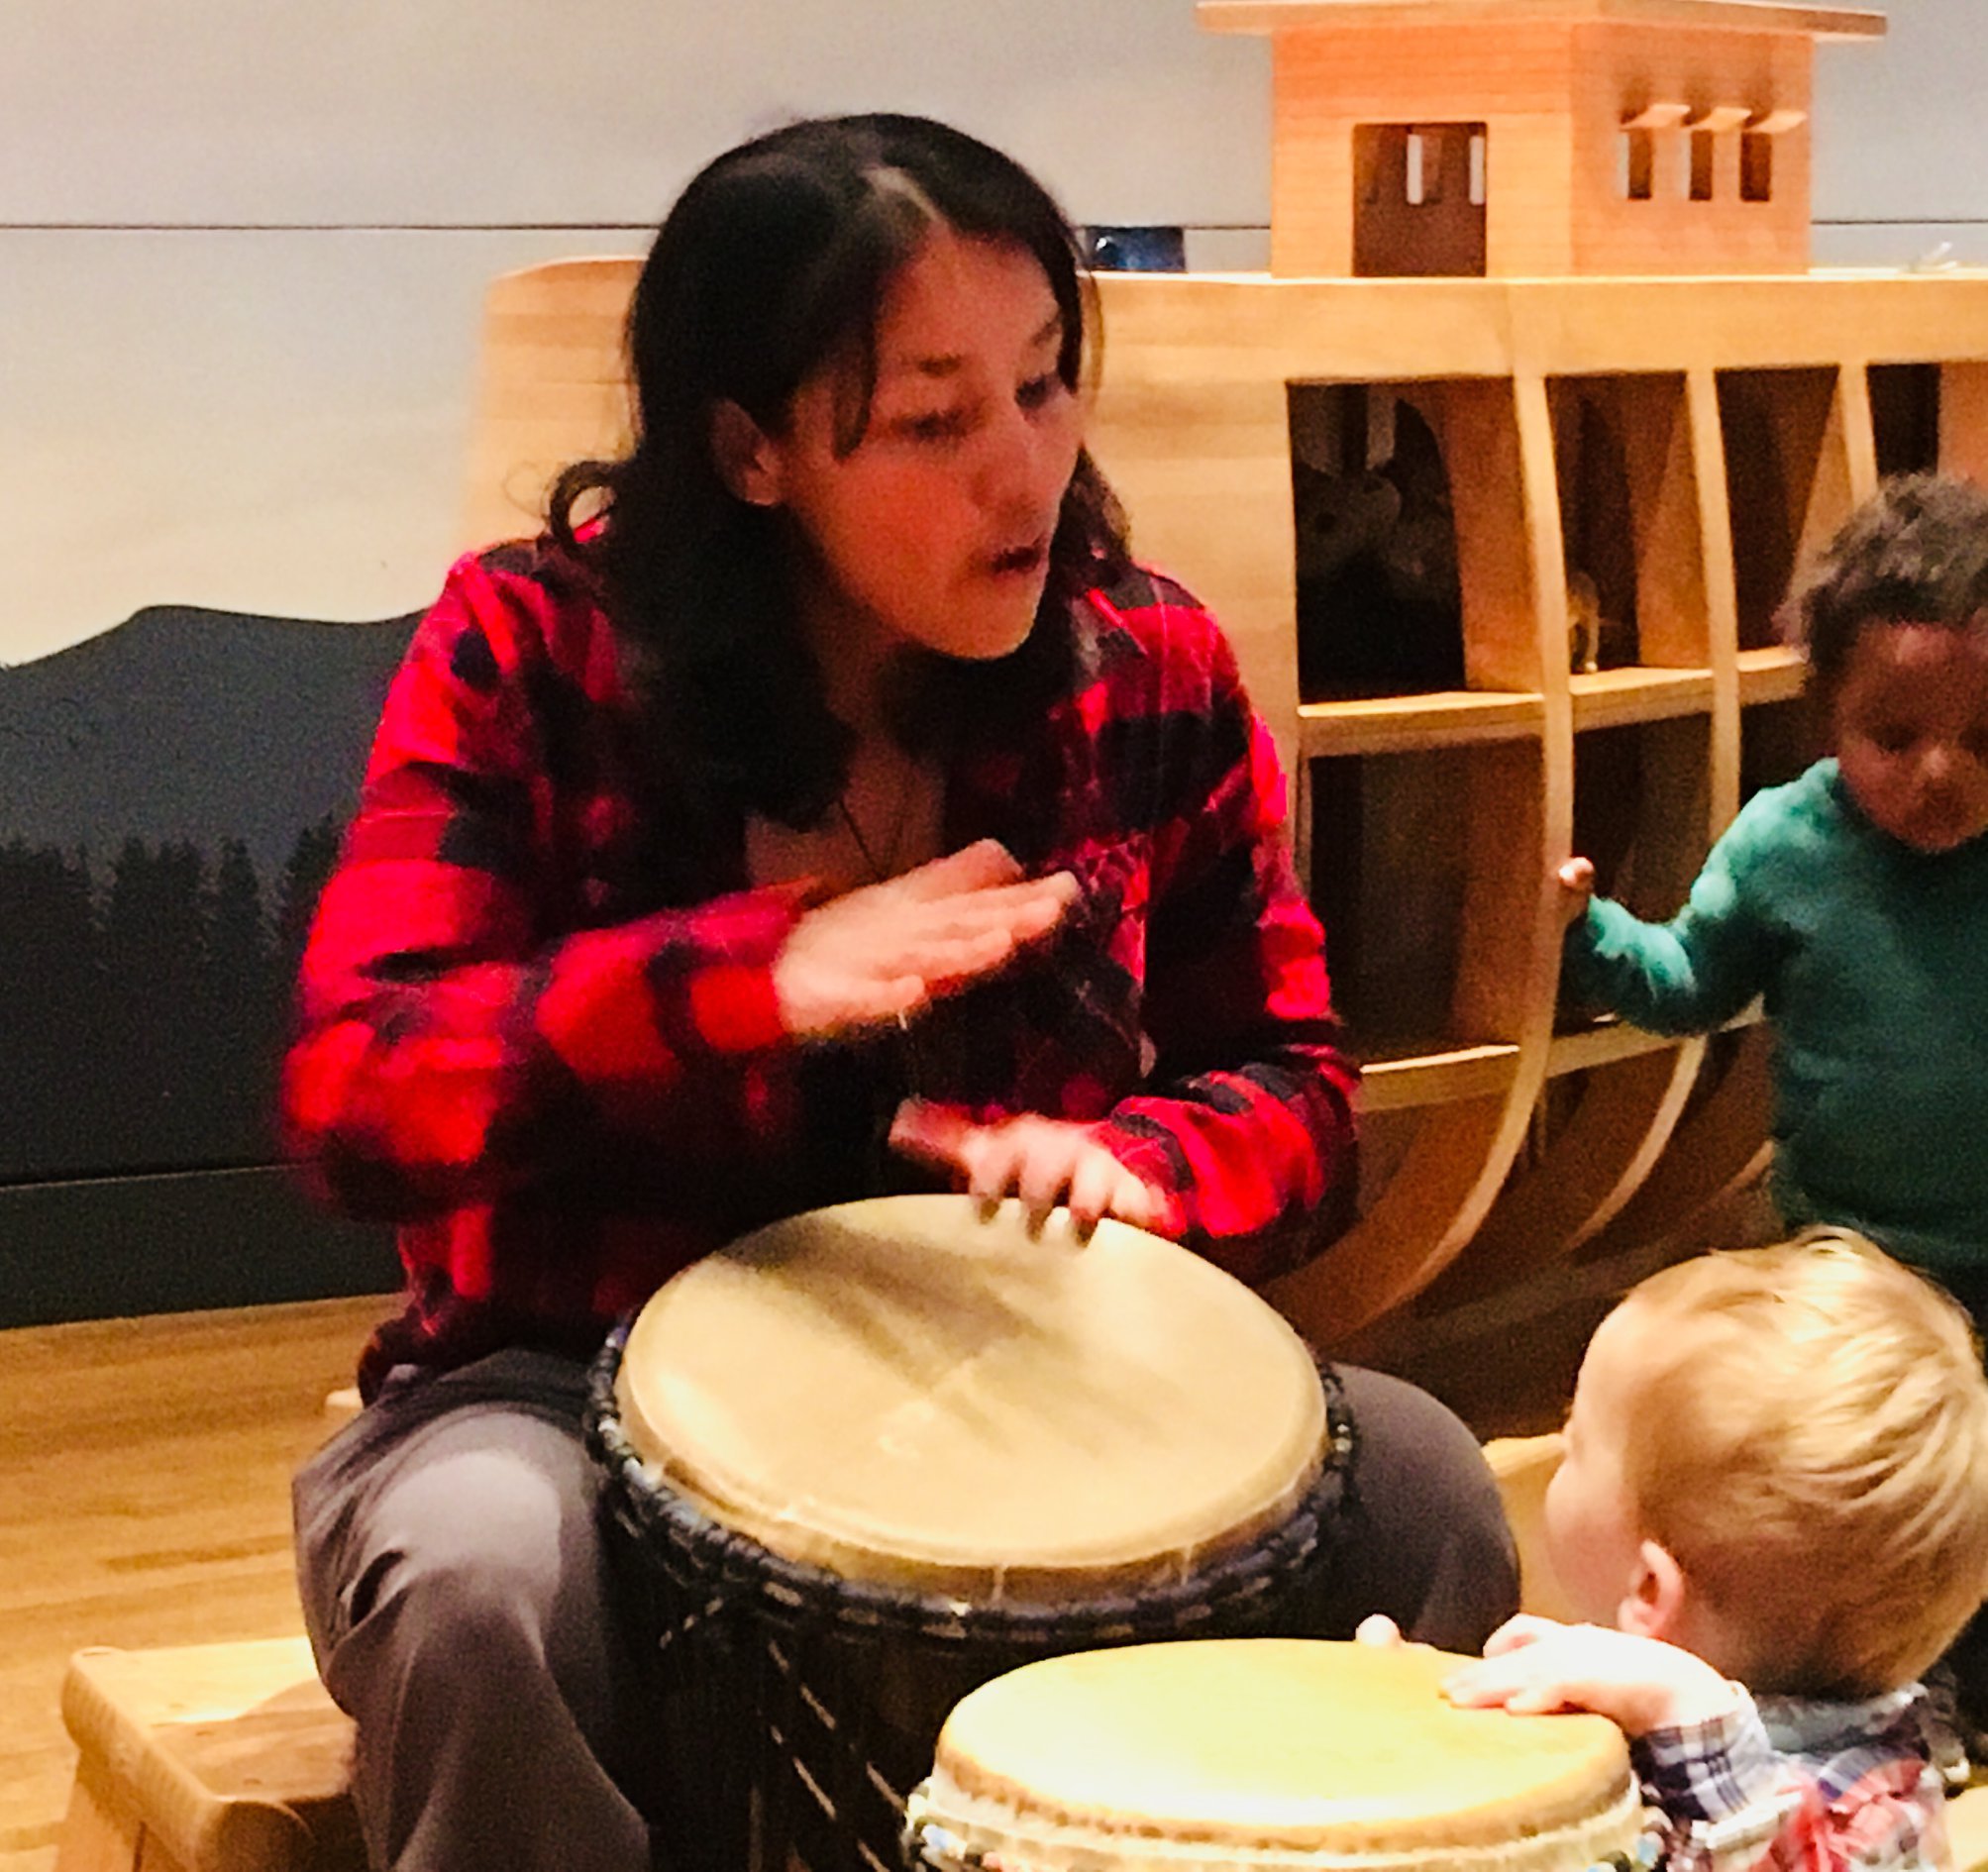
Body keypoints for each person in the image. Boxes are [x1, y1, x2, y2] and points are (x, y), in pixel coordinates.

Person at [282, 113, 1518, 1872]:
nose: (1019, 473)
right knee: (480, 1582)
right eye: (936, 420)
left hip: (1023, 1366)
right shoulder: (530, 649)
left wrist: (1149, 1170)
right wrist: (744, 982)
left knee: (1421, 1488)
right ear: (751, 447)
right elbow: (355, 1086)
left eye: (1042, 389)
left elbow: (1297, 1086)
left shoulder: (1147, 663)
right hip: (557, 1381)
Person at [1373, 1231, 1988, 1872]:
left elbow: (1774, 1848)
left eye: (1574, 1439)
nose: (1558, 1444)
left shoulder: (1870, 1812)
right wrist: (1424, 1719)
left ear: (1649, 1590)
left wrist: (1691, 1715)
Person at [1558, 473, 1988, 1319]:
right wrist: (1589, 928)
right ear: (1826, 717)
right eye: (1893, 738)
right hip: (1845, 1260)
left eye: (1985, 738)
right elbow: (1688, 982)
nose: (1939, 773)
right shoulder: (1788, 845)